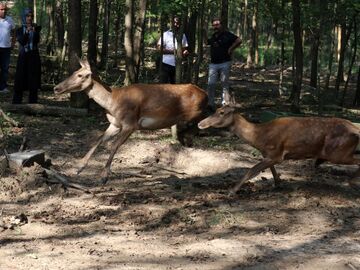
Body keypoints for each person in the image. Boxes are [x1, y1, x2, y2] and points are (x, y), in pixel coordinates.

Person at [206, 18, 242, 111]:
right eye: (214, 25)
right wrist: (203, 34)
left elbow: (239, 40)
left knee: (224, 84)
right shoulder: (214, 36)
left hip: (225, 63)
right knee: (211, 84)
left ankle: (225, 103)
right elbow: (207, 42)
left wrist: (231, 48)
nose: (215, 27)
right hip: (213, 64)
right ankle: (210, 104)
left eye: (217, 25)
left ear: (221, 25)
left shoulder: (227, 34)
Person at [12, 8, 41, 104]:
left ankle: (33, 102)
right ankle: (16, 102)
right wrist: (27, 32)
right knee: (20, 77)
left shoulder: (35, 28)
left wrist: (34, 32)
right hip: (23, 56)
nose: (29, 18)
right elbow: (22, 41)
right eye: (27, 16)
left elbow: (37, 41)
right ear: (24, 17)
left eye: (31, 16)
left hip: (34, 55)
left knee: (33, 78)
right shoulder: (20, 30)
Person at [157, 16, 189, 84]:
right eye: (174, 22)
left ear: (180, 24)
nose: (175, 24)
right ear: (171, 23)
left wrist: (185, 52)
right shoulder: (166, 34)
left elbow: (184, 49)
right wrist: (174, 52)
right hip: (165, 64)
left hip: (177, 65)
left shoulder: (182, 35)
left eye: (177, 23)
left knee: (175, 86)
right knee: (163, 85)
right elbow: (159, 49)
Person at [0, 2, 15, 94]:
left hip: (6, 48)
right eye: (1, 9)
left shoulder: (10, 20)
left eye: (5, 9)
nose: (3, 11)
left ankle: (3, 87)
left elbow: (14, 32)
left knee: (5, 68)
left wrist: (13, 43)